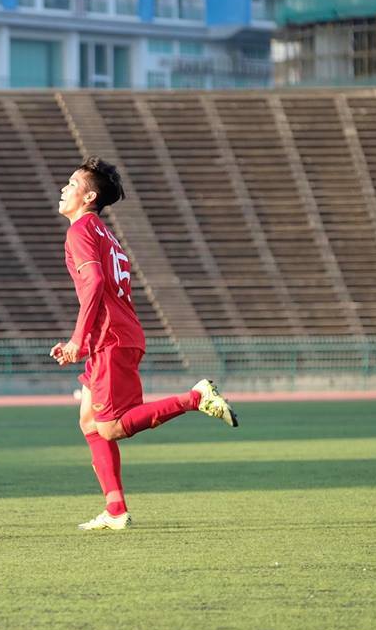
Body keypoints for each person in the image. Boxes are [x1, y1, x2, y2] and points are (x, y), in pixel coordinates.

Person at [50, 157, 238, 531]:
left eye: (71, 183)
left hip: (111, 338)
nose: (63, 188)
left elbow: (95, 284)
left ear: (88, 197)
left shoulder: (80, 231)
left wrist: (77, 340)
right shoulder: (102, 232)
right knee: (89, 422)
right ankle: (115, 510)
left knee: (110, 428)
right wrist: (86, 342)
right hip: (117, 333)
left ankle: (195, 398)